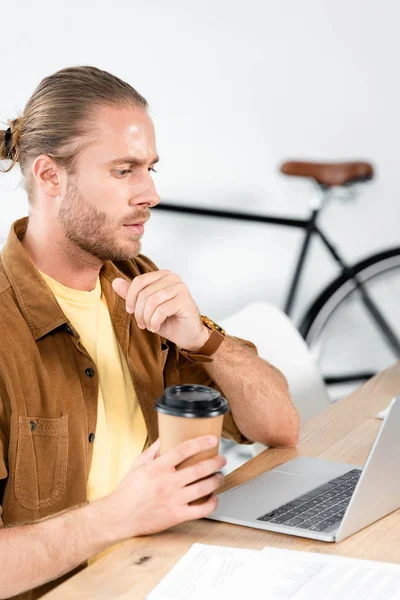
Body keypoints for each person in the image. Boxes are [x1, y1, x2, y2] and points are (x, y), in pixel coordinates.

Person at [0, 66, 300, 599]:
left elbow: (280, 427)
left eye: (151, 169)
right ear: (50, 176)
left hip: (166, 572)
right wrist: (116, 516)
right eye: (124, 170)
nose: (151, 194)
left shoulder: (137, 284)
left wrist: (203, 340)